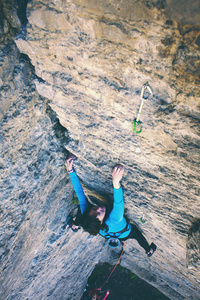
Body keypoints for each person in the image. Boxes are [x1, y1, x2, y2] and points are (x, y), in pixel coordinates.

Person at [66, 154, 157, 257]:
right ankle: (148, 250)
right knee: (136, 235)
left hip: (107, 234)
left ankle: (75, 224)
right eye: (99, 213)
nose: (99, 208)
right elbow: (118, 202)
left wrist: (70, 170)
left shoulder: (88, 214)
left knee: (83, 214)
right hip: (124, 234)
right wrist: (116, 181)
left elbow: (79, 192)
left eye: (94, 208)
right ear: (100, 222)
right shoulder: (115, 218)